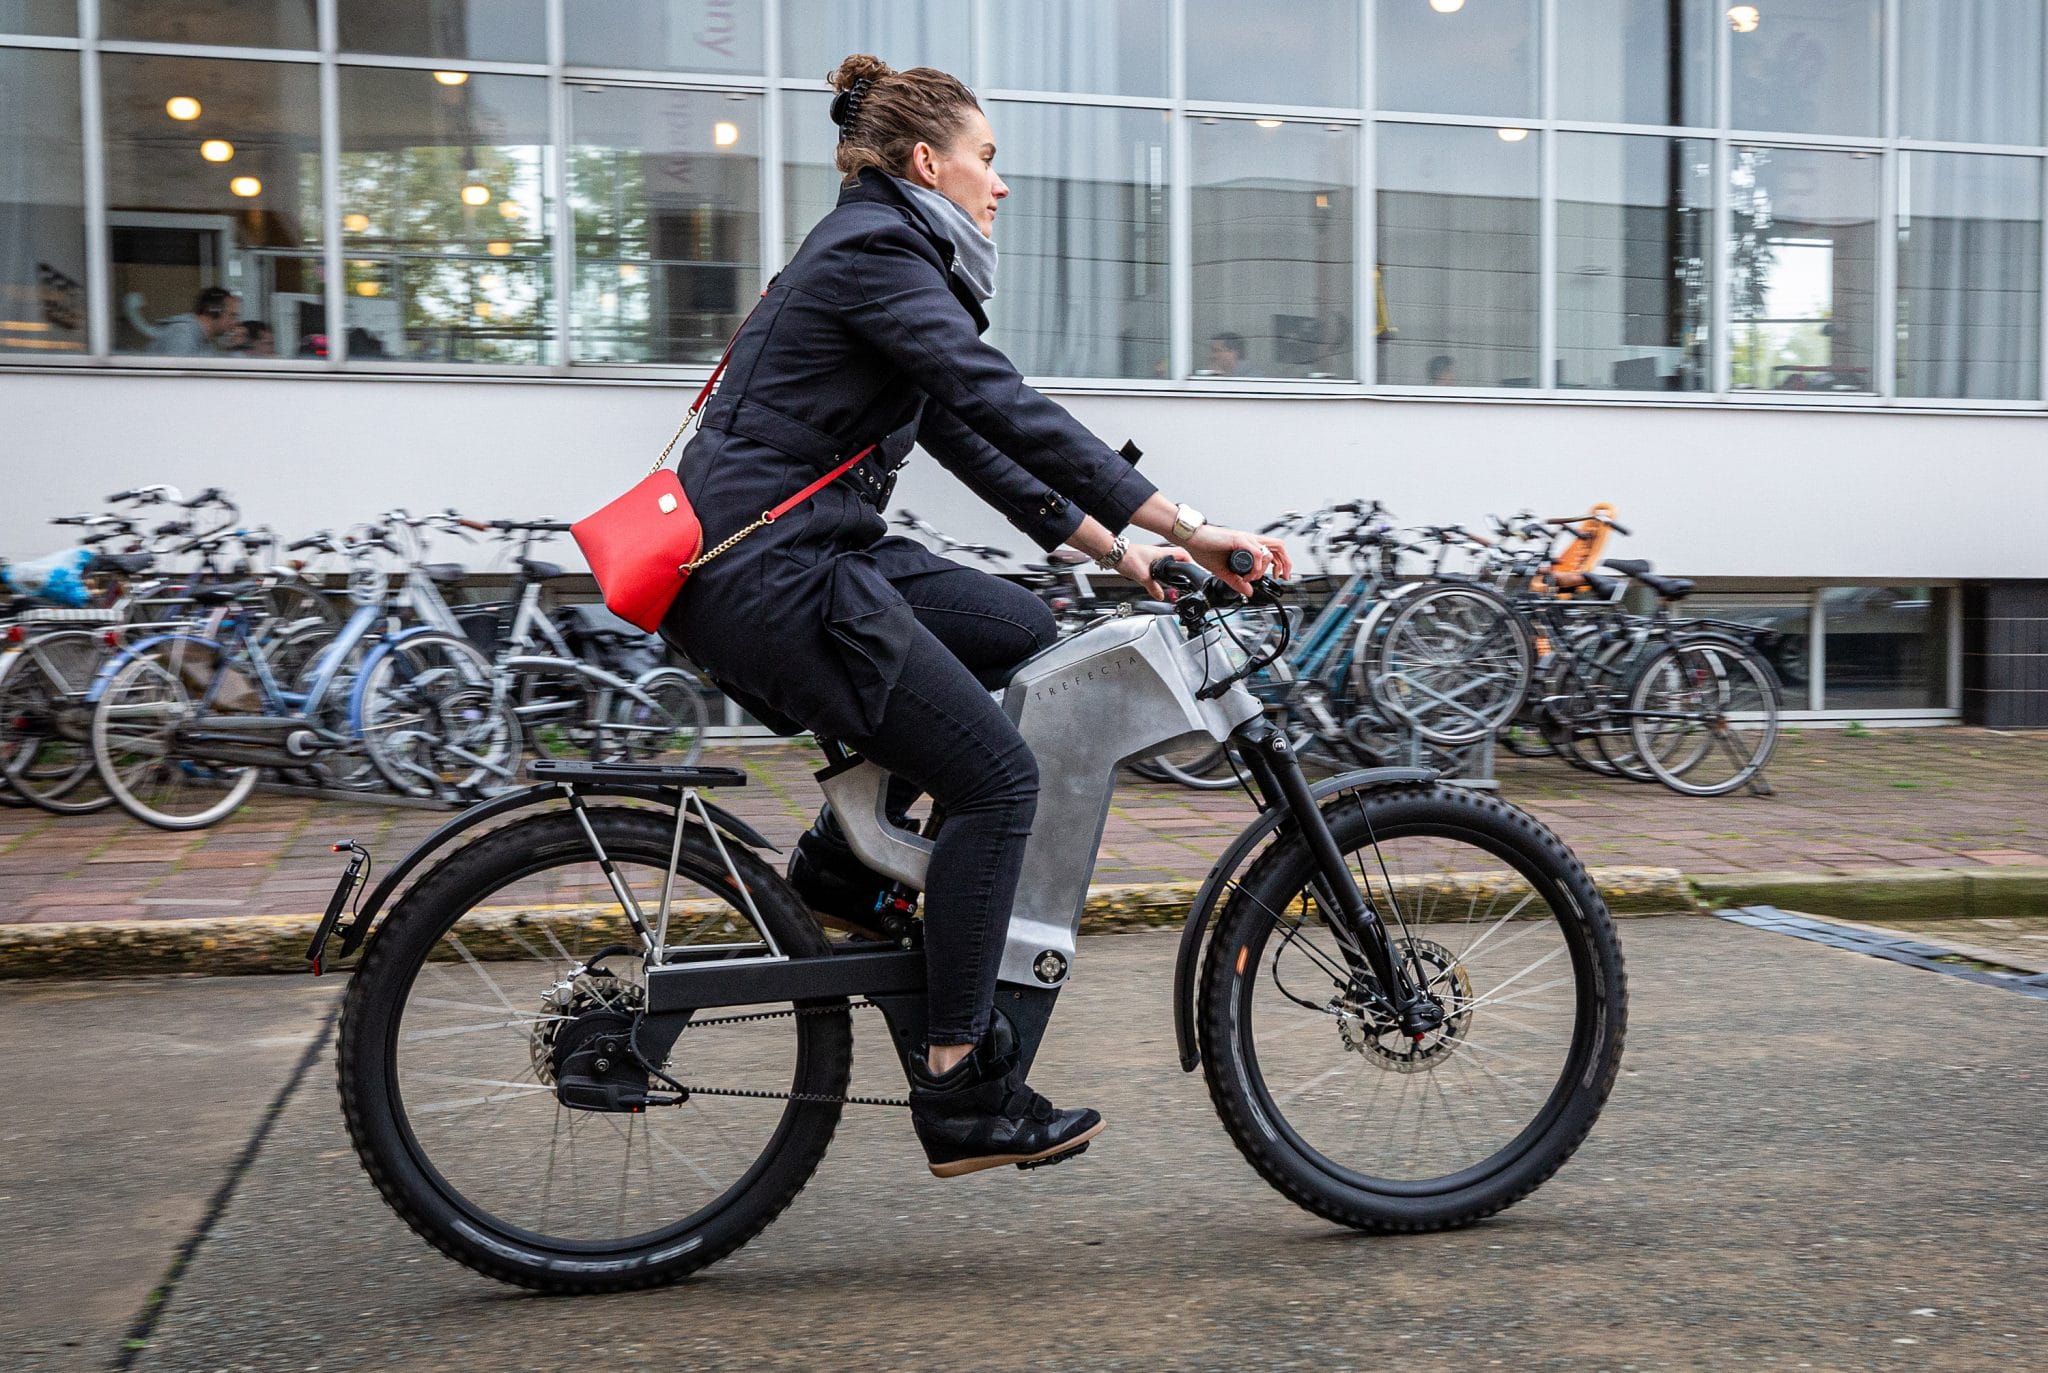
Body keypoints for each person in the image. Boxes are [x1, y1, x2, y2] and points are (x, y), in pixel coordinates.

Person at [662, 53, 1289, 1178]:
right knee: (1002, 776)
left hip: (800, 557)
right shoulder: (877, 252)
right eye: (985, 161)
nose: (998, 186)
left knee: (1025, 640)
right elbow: (1002, 402)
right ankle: (957, 1080)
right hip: (778, 577)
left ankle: (845, 868)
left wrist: (1122, 552)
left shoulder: (879, 253)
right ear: (924, 163)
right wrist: (1188, 524)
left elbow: (968, 435)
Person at [146, 286, 240, 356]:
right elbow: (176, 380)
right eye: (232, 315)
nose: (235, 322)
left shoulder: (204, 339)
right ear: (213, 311)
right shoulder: (182, 333)